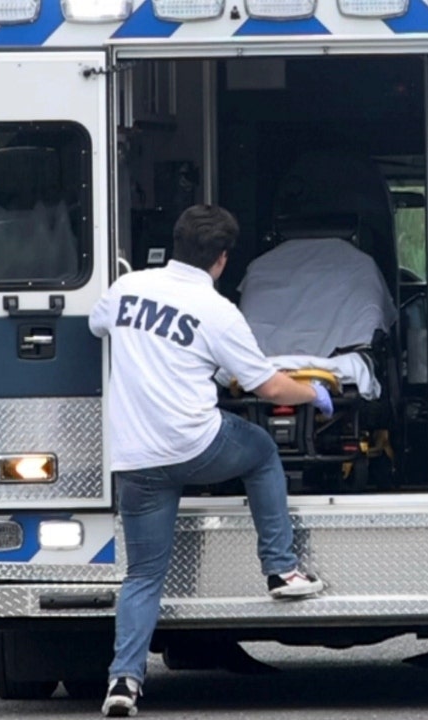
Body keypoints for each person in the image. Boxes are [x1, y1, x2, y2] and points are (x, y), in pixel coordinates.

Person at [90, 205, 333, 717]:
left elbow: (98, 326)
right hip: (196, 447)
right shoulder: (217, 310)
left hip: (135, 459)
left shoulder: (124, 289)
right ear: (222, 260)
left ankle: (123, 683)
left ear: (175, 243)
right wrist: (311, 393)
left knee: (143, 576)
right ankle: (281, 571)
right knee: (263, 452)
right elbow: (266, 386)